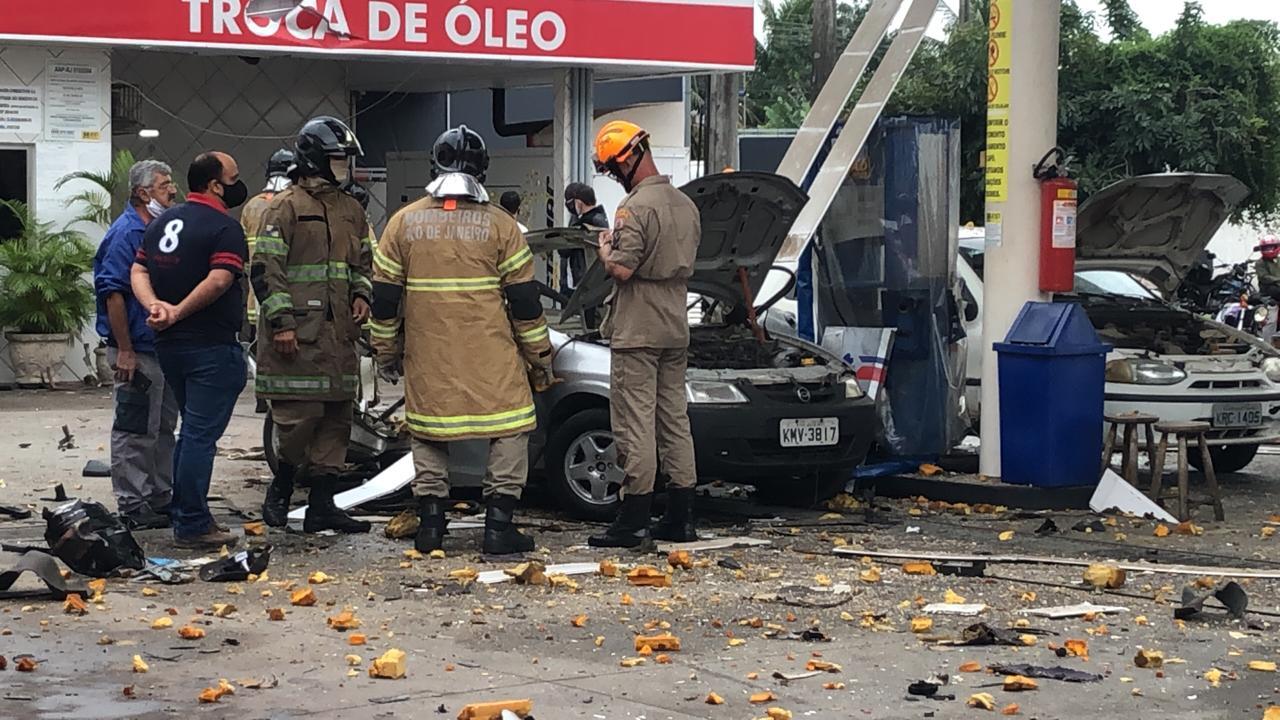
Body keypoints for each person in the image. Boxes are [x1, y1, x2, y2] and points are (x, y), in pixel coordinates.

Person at [370, 125, 555, 555]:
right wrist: (540, 355)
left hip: (428, 355)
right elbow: (525, 302)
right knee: (512, 426)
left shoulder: (402, 223)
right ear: (482, 170)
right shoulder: (502, 225)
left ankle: (431, 526)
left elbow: (384, 300)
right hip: (491, 357)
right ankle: (499, 527)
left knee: (429, 433)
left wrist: (385, 351)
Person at [251, 117, 373, 534]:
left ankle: (323, 505)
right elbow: (265, 269)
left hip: (338, 337)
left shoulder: (351, 210)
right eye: (338, 159)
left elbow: (363, 262)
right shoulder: (285, 207)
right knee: (298, 421)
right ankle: (281, 489)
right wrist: (282, 323)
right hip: (297, 337)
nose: (345, 167)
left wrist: (362, 294)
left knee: (337, 420)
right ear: (315, 159)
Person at [586, 120, 701, 549]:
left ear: (625, 161)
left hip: (638, 328)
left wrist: (604, 249)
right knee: (674, 420)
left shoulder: (633, 209)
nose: (614, 177)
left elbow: (622, 268)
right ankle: (681, 517)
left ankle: (634, 520)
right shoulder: (686, 205)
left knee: (634, 422)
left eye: (611, 169)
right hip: (675, 325)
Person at [130, 151, 249, 549]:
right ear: (215, 185)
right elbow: (219, 280)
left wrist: (156, 307)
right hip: (210, 347)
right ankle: (193, 523)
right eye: (232, 177)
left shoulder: (162, 222)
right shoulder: (224, 228)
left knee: (189, 433)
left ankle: (186, 513)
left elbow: (139, 269)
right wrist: (177, 311)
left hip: (170, 348)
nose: (238, 184)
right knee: (199, 436)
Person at [93, 159, 180, 529]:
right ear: (144, 193)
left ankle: (160, 496)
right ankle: (132, 503)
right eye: (164, 185)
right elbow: (113, 293)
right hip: (137, 350)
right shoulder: (127, 232)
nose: (172, 190)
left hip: (159, 347)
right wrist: (125, 350)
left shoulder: (158, 230)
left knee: (162, 427)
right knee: (135, 427)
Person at [240, 149, 294, 339]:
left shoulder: (251, 206)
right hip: (287, 299)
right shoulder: (293, 204)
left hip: (256, 297)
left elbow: (243, 254)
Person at [561, 181, 608, 293]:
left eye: (570, 203)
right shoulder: (581, 220)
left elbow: (565, 249)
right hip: (582, 282)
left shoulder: (591, 222)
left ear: (578, 202)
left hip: (587, 283)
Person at [1257, 235, 1280, 300]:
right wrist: (1278, 279)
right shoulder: (1260, 262)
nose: (1268, 250)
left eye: (1270, 248)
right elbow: (1264, 277)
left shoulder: (1278, 260)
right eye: (1266, 248)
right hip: (1268, 287)